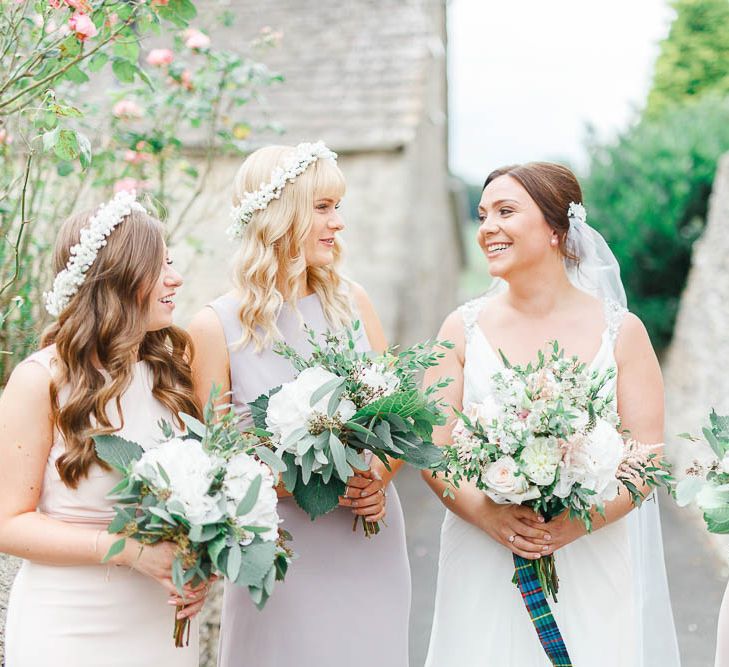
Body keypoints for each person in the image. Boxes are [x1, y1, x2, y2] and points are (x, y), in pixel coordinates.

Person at [422, 162, 680, 666]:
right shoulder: (461, 329)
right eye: (482, 215)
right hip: (483, 551)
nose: (488, 227)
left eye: (506, 211)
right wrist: (487, 514)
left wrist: (573, 527)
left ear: (556, 230)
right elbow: (434, 449)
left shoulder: (622, 333)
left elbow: (647, 458)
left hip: (590, 551)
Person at [188, 142, 411, 667]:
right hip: (280, 550)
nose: (339, 223)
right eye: (323, 207)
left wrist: (378, 476)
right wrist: (315, 482)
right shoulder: (214, 327)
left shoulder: (353, 303)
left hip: (366, 539)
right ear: (279, 216)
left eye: (339, 207)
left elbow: (399, 422)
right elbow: (218, 462)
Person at [0, 191, 208, 666]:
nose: (176, 279)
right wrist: (127, 551)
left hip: (161, 626)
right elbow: (6, 523)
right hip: (69, 625)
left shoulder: (174, 373)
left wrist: (201, 563)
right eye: (161, 267)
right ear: (118, 278)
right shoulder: (41, 380)